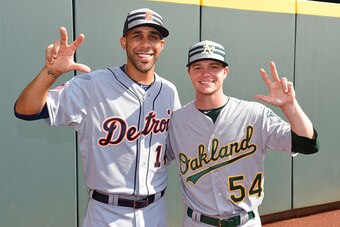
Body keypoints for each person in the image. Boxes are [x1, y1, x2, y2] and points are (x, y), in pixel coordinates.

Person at [14, 8, 181, 227]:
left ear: (161, 45)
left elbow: (173, 148)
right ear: (124, 42)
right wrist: (50, 72)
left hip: (155, 211)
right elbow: (26, 109)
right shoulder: (93, 85)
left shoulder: (168, 91)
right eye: (137, 35)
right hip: (107, 213)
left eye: (153, 37)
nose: (145, 43)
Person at [167, 40, 319, 227]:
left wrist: (290, 106)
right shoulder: (177, 121)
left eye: (214, 67)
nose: (206, 73)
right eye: (197, 67)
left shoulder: (254, 114)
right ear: (189, 72)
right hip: (197, 222)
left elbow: (307, 144)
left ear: (225, 72)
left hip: (246, 222)